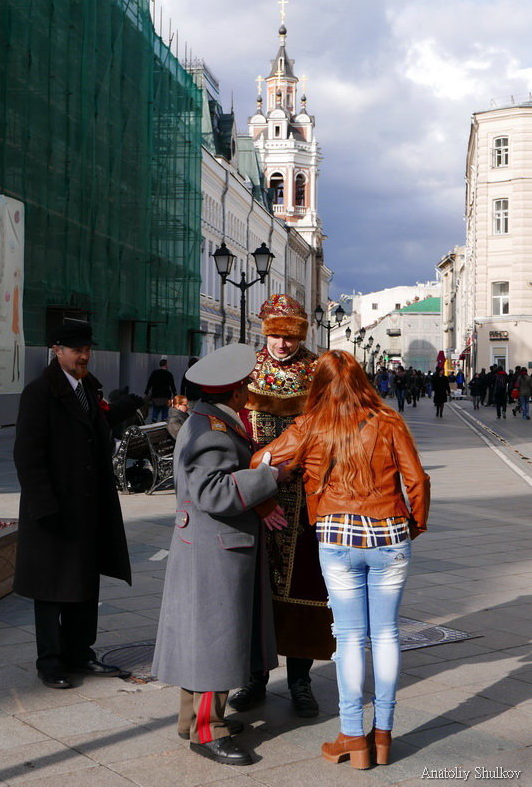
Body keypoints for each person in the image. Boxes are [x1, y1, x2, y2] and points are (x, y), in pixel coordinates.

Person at [250, 350, 430, 769]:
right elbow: (416, 479)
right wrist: (414, 525)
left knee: (349, 637)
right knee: (386, 634)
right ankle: (382, 734)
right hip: (389, 534)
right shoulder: (389, 421)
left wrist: (279, 483)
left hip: (335, 535)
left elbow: (261, 459)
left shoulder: (310, 425)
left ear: (319, 386)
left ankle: (353, 736)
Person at [152, 344, 287, 767]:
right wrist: (268, 478)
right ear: (235, 393)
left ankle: (192, 719)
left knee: (204, 637)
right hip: (217, 548)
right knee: (215, 640)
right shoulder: (211, 431)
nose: (248, 393)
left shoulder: (204, 420)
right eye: (245, 387)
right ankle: (208, 732)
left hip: (208, 545)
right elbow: (214, 491)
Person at [13, 321, 144, 689]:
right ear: (57, 350)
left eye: (87, 349)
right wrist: (44, 506)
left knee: (84, 583)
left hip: (88, 506)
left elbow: (92, 425)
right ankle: (50, 661)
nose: (84, 356)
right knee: (51, 590)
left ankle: (80, 652)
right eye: (75, 350)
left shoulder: (88, 387)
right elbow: (28, 455)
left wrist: (117, 411)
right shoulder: (39, 392)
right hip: (54, 509)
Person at [232, 294, 334, 719]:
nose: (281, 345)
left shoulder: (318, 372)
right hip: (254, 499)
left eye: (288, 337)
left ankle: (300, 681)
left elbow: (332, 433)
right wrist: (254, 496)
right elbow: (234, 435)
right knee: (253, 592)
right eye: (274, 335)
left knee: (303, 591)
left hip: (306, 502)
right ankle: (254, 678)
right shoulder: (246, 370)